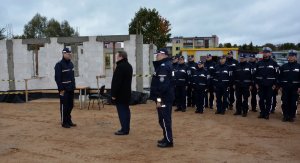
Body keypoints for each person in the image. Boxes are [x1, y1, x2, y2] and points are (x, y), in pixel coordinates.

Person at [150, 48, 175, 148]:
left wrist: (159, 100)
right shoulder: (164, 65)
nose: (157, 56)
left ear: (164, 55)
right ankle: (166, 137)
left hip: (164, 98)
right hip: (165, 97)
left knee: (164, 119)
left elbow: (162, 86)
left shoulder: (164, 66)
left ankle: (169, 141)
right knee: (162, 119)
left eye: (158, 54)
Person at [111, 51, 133, 135]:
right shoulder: (129, 66)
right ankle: (126, 127)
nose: (116, 58)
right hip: (127, 93)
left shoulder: (120, 67)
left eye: (117, 56)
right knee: (126, 111)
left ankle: (124, 129)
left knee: (122, 112)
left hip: (120, 94)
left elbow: (117, 82)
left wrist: (113, 94)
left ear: (121, 57)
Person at [54, 47, 76, 128]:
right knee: (64, 106)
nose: (70, 55)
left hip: (71, 89)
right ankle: (64, 122)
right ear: (64, 54)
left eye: (70, 54)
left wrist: (74, 86)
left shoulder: (71, 64)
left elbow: (72, 77)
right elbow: (57, 78)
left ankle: (69, 120)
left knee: (70, 106)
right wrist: (61, 89)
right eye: (68, 54)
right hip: (64, 90)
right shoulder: (59, 64)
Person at [255, 47, 279, 120]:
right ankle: (262, 112)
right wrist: (256, 83)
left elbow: (277, 75)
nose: (265, 53)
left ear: (270, 53)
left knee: (269, 100)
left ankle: (267, 113)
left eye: (267, 52)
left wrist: (275, 84)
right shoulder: (259, 63)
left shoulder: (274, 63)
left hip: (270, 85)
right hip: (261, 85)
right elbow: (255, 74)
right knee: (261, 99)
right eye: (264, 52)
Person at [278, 50, 300, 122]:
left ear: (295, 58)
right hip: (285, 87)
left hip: (295, 88)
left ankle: (291, 116)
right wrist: (280, 86)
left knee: (293, 103)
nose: (290, 58)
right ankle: (285, 115)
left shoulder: (299, 66)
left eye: (292, 56)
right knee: (285, 102)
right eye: (289, 56)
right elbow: (280, 77)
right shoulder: (284, 66)